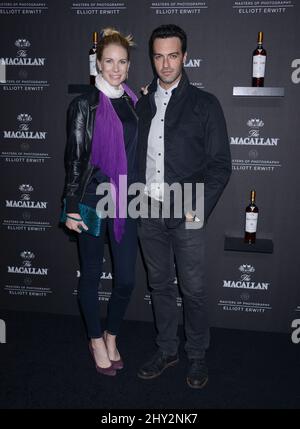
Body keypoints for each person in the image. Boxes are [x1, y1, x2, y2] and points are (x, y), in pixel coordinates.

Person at [136, 24, 232, 388]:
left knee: (192, 289)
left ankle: (196, 355)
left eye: (172, 55)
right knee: (159, 285)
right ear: (152, 58)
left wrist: (196, 207)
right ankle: (166, 349)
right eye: (158, 56)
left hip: (187, 210)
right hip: (147, 208)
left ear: (185, 57)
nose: (165, 63)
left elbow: (220, 164)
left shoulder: (205, 104)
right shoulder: (142, 103)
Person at [62, 28, 138, 376]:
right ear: (98, 63)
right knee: (91, 273)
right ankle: (95, 339)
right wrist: (71, 205)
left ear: (128, 64)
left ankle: (111, 334)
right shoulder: (84, 104)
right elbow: (75, 159)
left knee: (125, 280)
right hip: (92, 197)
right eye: (109, 61)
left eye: (122, 61)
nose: (116, 68)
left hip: (126, 200)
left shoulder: (137, 102)